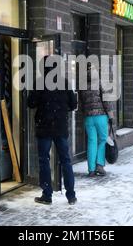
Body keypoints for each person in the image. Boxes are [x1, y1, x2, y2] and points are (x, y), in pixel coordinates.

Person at [27, 56, 78, 206]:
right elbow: (73, 104)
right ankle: (71, 196)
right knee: (66, 160)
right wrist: (62, 110)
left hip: (44, 127)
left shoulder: (40, 83)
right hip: (60, 127)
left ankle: (47, 194)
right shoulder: (64, 83)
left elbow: (31, 103)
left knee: (44, 160)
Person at [79, 64, 114, 177]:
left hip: (88, 118)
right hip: (100, 116)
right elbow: (106, 101)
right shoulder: (100, 83)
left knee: (91, 142)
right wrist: (110, 115)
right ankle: (99, 164)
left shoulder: (82, 85)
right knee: (103, 139)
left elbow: (81, 104)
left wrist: (85, 114)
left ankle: (91, 169)